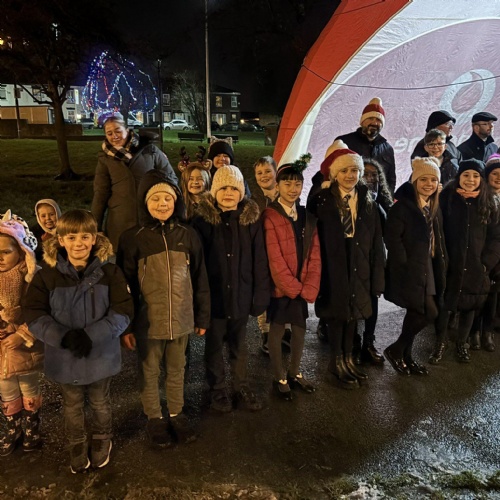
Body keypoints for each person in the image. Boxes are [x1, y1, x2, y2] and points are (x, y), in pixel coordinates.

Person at [24, 210, 133, 473]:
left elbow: (122, 311)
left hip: (100, 355)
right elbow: (34, 313)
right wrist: (61, 336)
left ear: (94, 238)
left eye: (85, 237)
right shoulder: (47, 276)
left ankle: (102, 437)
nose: (79, 243)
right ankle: (76, 441)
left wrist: (91, 335)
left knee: (100, 401)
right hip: (65, 357)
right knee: (72, 404)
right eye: (71, 237)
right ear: (61, 240)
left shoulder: (110, 272)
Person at [117, 170, 210, 447]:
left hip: (181, 318)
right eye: (155, 199)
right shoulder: (133, 238)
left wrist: (202, 315)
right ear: (145, 203)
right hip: (148, 322)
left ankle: (176, 413)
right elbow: (124, 286)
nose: (162, 204)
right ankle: (154, 417)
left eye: (168, 198)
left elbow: (200, 278)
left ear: (176, 201)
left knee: (178, 368)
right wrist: (127, 325)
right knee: (149, 370)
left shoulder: (188, 235)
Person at [307, 140, 385, 389]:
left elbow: (376, 240)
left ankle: (348, 359)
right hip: (333, 264)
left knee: (354, 314)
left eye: (355, 170)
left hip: (359, 262)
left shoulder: (367, 200)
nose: (350, 175)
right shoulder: (321, 200)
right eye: (344, 171)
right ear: (334, 174)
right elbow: (313, 238)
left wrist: (377, 275)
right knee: (337, 313)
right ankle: (336, 361)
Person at [192, 165, 270, 412]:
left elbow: (260, 260)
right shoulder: (202, 222)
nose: (228, 193)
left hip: (241, 295)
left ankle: (240, 386)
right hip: (214, 298)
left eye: (234, 189)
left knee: (240, 345)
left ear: (241, 192)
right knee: (214, 346)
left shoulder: (250, 221)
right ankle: (217, 389)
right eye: (223, 188)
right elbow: (197, 264)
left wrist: (259, 296)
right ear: (214, 190)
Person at [262, 156, 321, 400]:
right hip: (281, 287)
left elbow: (314, 253)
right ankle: (279, 377)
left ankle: (295, 372)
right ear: (277, 186)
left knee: (299, 329)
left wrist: (309, 286)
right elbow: (274, 259)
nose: (293, 189)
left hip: (301, 285)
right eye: (287, 184)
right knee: (276, 330)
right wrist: (294, 287)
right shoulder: (270, 216)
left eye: (297, 184)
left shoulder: (306, 216)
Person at [431, 159, 500, 363]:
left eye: (476, 176)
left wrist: (486, 263)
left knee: (470, 304)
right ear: (459, 177)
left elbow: (496, 237)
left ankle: (462, 343)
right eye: (466, 175)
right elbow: (438, 229)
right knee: (446, 304)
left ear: (481, 179)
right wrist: (442, 257)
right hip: (450, 263)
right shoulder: (447, 198)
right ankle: (440, 343)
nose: (470, 180)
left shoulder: (489, 202)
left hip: (476, 265)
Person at [383, 157, 447, 375]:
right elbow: (392, 239)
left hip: (428, 266)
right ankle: (396, 350)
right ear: (414, 181)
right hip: (411, 268)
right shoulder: (402, 207)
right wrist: (404, 263)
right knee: (427, 312)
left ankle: (405, 356)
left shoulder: (432, 205)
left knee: (417, 312)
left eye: (433, 180)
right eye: (423, 179)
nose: (428, 184)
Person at [91, 116, 178, 250]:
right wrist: (95, 226)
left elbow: (171, 179)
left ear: (127, 130)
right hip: (120, 222)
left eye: (118, 131)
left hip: (151, 218)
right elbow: (100, 193)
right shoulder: (105, 159)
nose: (114, 136)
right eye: (109, 133)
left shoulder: (149, 151)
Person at [0, 212, 43, 456]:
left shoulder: (31, 280)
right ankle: (12, 428)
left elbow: (40, 313)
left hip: (24, 347)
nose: (0, 258)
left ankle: (31, 429)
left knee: (28, 386)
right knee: (5, 388)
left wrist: (22, 333)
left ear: (21, 251)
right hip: (1, 349)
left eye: (6, 252)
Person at [351, 157, 393, 364]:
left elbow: (388, 233)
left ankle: (368, 342)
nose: (370, 178)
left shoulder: (379, 204)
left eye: (374, 175)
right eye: (365, 174)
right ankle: (353, 343)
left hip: (373, 261)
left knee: (372, 300)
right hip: (354, 262)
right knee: (353, 302)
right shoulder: (351, 202)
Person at [250, 156, 287, 354]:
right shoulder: (253, 200)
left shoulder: (286, 195)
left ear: (275, 172)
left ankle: (285, 330)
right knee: (263, 291)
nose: (264, 176)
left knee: (284, 289)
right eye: (259, 173)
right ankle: (265, 332)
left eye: (267, 171)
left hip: (284, 252)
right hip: (262, 253)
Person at [469, 153, 500, 353]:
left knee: (493, 294)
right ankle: (474, 331)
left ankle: (487, 331)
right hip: (482, 254)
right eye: (495, 173)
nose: (498, 178)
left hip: (497, 255)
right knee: (478, 294)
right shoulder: (479, 197)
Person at [178, 147, 212, 220]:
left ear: (207, 181)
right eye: (191, 179)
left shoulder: (212, 204)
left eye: (200, 179)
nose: (195, 182)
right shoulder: (180, 205)